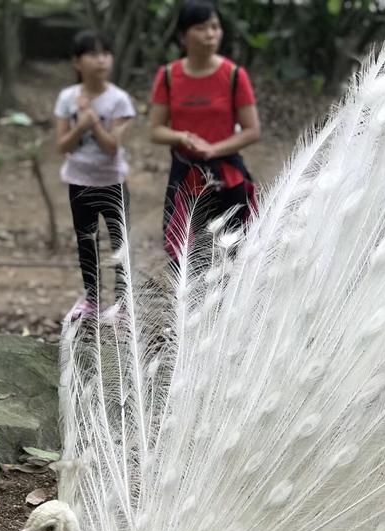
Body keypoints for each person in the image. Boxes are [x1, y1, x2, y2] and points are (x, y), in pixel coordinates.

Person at [150, 1, 261, 261]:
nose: (211, 34)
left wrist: (213, 149)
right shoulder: (168, 76)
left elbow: (252, 131)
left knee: (234, 253)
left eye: (215, 27)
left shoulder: (234, 75)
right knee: (184, 256)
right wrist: (182, 137)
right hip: (185, 175)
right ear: (182, 36)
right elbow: (155, 130)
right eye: (201, 28)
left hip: (228, 175)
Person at [54, 30, 135, 315]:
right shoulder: (67, 98)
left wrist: (93, 122)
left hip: (112, 181)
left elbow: (113, 147)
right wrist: (80, 124)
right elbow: (62, 144)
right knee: (86, 240)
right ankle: (92, 299)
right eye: (92, 54)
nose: (100, 60)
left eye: (105, 53)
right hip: (79, 181)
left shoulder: (119, 100)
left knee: (119, 241)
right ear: (77, 62)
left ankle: (124, 302)